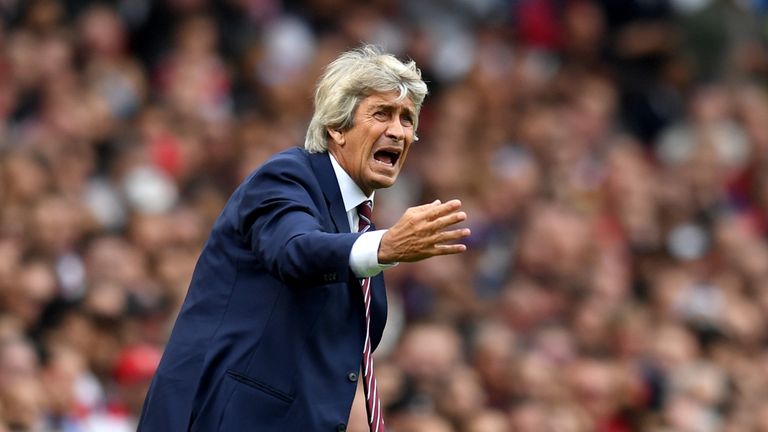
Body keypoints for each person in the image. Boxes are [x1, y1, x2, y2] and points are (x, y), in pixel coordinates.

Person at [137, 45, 470, 431]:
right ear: (336, 127)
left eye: (407, 119)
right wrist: (384, 246)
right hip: (221, 416)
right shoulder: (288, 176)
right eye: (382, 114)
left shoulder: (356, 223)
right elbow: (294, 250)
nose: (398, 131)